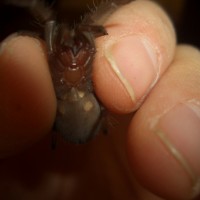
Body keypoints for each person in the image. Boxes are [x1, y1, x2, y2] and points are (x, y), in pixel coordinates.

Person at [0, 1, 200, 199]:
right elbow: (51, 24)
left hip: (86, 122)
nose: (73, 53)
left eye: (80, 45)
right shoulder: (51, 58)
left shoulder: (81, 56)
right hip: (68, 124)